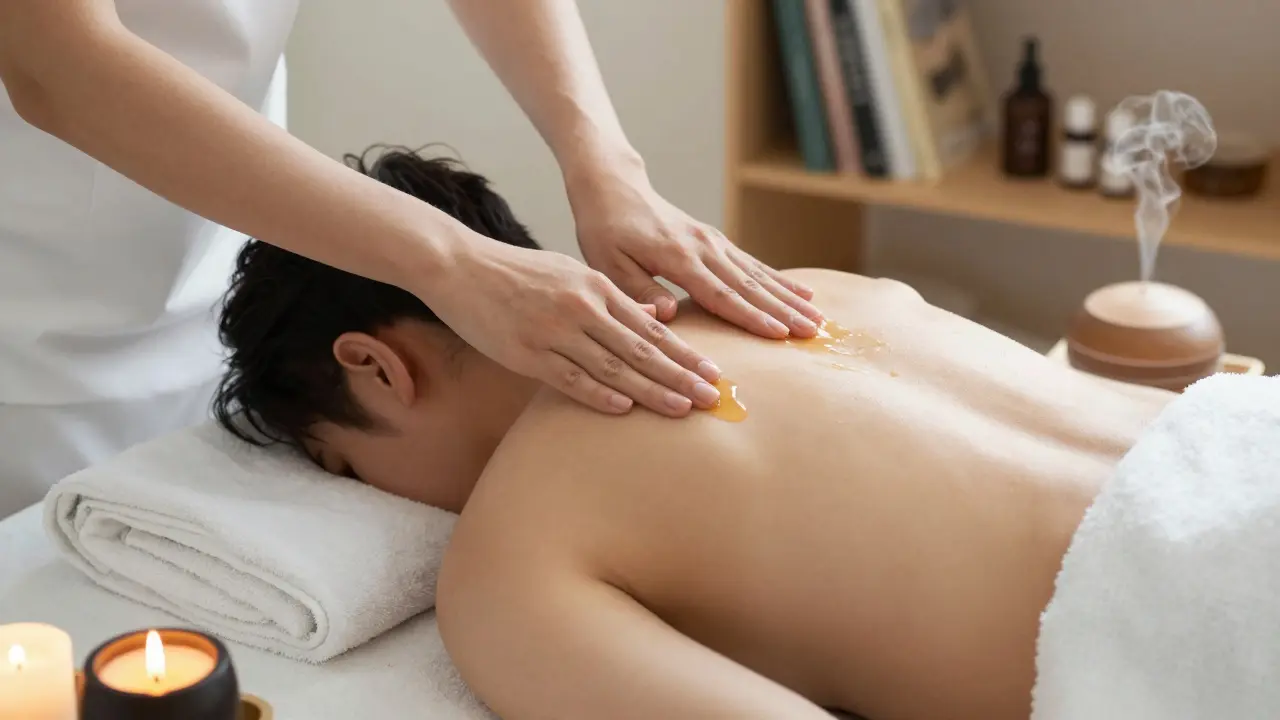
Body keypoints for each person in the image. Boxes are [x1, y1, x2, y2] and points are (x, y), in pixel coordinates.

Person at [214, 148, 1176, 720]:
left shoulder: (508, 563)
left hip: (1197, 640)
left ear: (376, 367)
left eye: (348, 466)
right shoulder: (796, 290)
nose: (378, 497)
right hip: (1218, 443)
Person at [0, 1, 821, 520]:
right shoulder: (825, 300)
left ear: (378, 368)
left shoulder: (531, 569)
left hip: (218, 213)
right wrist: (454, 263)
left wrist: (606, 164)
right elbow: (55, 62)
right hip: (31, 295)